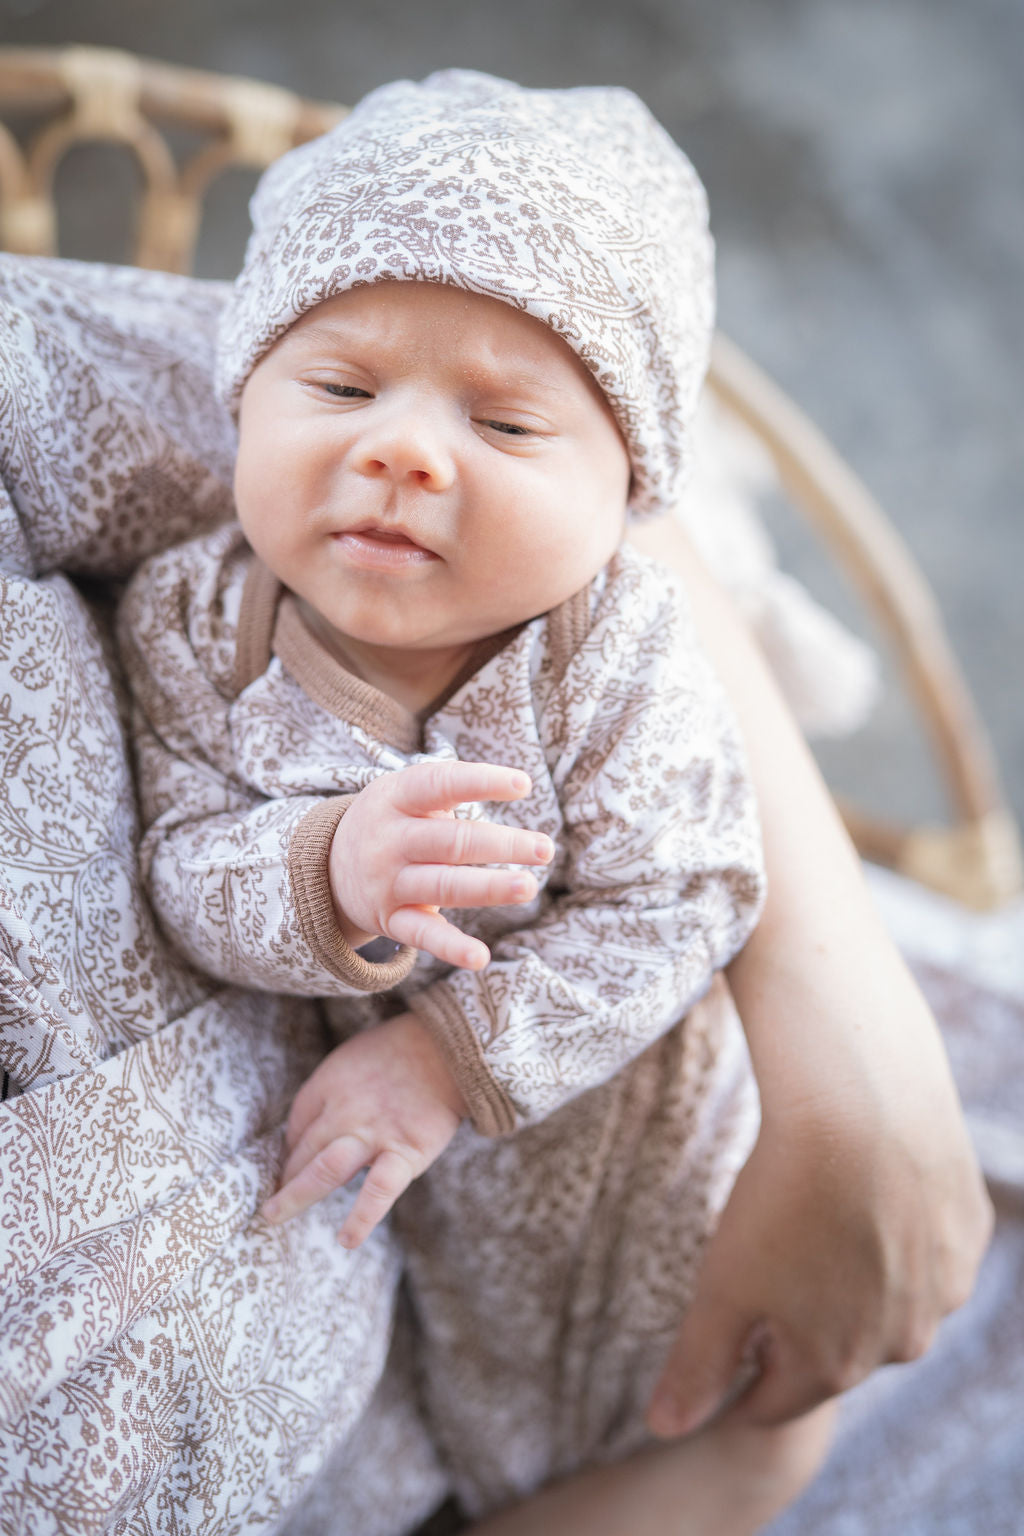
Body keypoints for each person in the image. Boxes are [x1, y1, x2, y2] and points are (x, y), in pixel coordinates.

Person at [114, 71, 991, 1536]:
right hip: (379, 1212)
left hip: (625, 1157)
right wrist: (319, 874)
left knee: (665, 1393)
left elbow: (693, 891)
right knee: (420, 1423)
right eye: (336, 387)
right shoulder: (196, 620)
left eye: (508, 425)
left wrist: (448, 1062)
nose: (401, 449)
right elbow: (182, 864)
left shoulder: (619, 649)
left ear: (629, 491)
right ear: (243, 393)